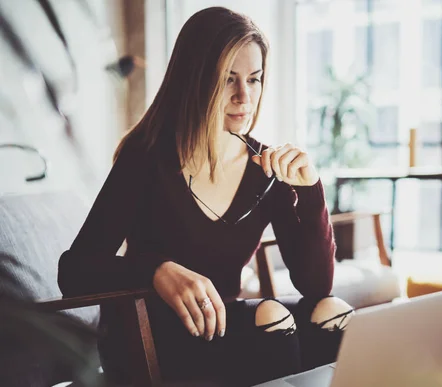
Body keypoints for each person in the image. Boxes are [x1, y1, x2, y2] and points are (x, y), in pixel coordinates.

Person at [57, 6, 354, 386]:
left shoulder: (266, 169)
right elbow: (75, 270)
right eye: (228, 79)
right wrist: (156, 269)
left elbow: (316, 287)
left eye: (255, 79)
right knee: (271, 317)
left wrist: (310, 191)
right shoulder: (147, 158)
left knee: (333, 313)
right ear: (196, 79)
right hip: (149, 339)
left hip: (227, 326)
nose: (243, 96)